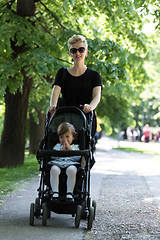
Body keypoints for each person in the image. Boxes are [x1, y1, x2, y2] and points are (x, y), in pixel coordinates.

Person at [48, 34, 102, 136]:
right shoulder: (62, 73)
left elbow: (97, 96)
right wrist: (53, 106)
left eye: (81, 50)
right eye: (74, 50)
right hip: (64, 118)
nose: (77, 53)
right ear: (70, 53)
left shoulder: (94, 75)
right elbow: (55, 92)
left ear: (86, 52)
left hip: (85, 118)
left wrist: (90, 107)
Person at [50, 122, 80, 202]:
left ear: (73, 137)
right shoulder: (57, 146)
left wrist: (70, 149)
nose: (64, 139)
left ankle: (69, 193)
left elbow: (78, 158)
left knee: (72, 170)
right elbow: (52, 156)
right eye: (61, 137)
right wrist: (60, 151)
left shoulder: (75, 147)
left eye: (67, 137)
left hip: (71, 163)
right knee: (54, 169)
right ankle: (55, 192)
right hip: (58, 163)